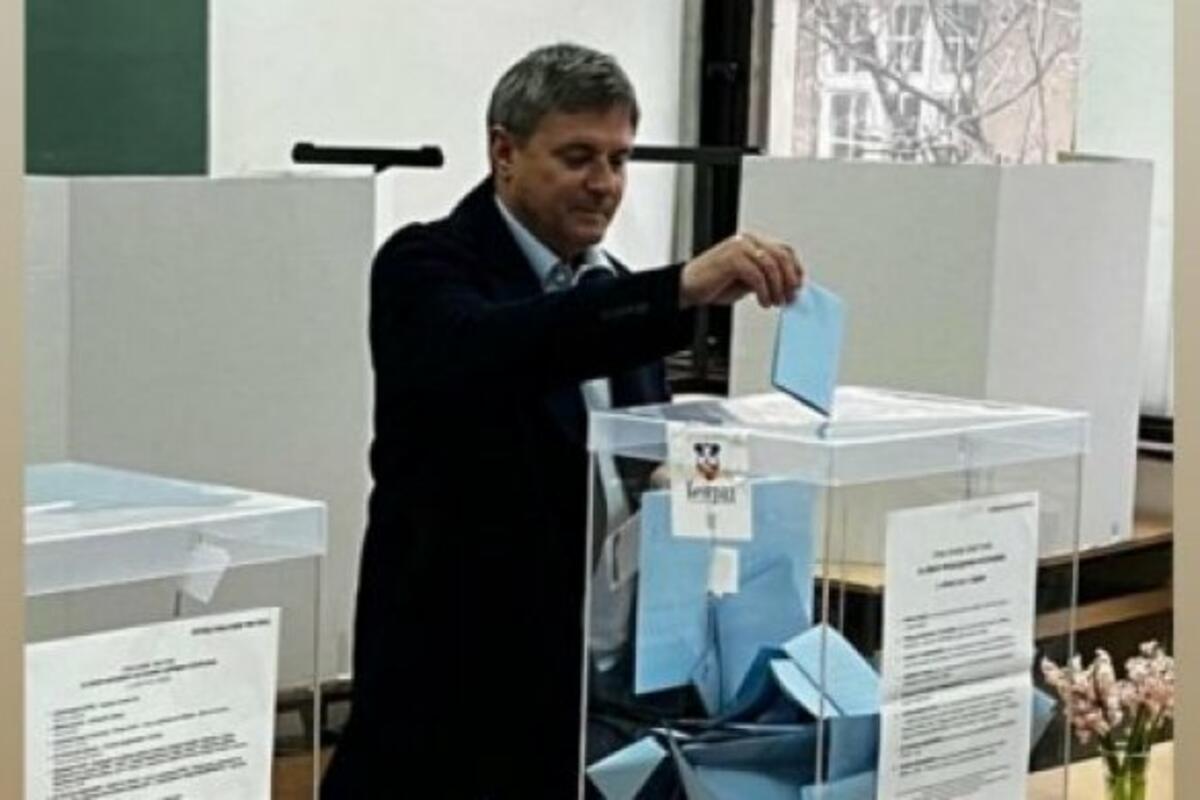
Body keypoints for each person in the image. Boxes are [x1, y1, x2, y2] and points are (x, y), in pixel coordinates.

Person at [320, 42, 802, 799]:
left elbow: (622, 452)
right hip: (454, 699)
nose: (604, 183)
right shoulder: (424, 267)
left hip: (596, 694)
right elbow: (501, 347)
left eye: (619, 159)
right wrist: (679, 288)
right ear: (503, 152)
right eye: (578, 157)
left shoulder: (617, 295)